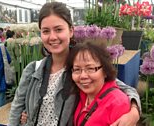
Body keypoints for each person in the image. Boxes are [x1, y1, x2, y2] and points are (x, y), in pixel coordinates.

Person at [9, 2, 140, 126]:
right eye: (46, 31)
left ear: (71, 31)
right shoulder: (33, 69)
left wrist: (134, 111)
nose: (53, 37)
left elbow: (122, 88)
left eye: (58, 29)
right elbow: (16, 108)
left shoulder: (81, 69)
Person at [66, 41, 130, 125]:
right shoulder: (80, 95)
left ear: (105, 71)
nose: (83, 76)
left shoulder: (118, 103)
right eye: (77, 69)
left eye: (90, 68)